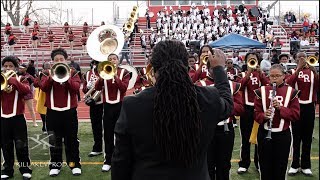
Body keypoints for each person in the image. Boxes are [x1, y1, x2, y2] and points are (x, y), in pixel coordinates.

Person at [111, 40, 233, 180]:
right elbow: (227, 104)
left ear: (153, 69)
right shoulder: (208, 98)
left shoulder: (132, 105)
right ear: (187, 67)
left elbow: (120, 161)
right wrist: (218, 69)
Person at [196, 59, 244, 180]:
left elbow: (240, 108)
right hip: (207, 130)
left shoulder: (233, 85)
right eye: (213, 68)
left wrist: (220, 107)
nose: (216, 71)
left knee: (224, 165)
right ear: (208, 69)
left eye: (219, 68)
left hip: (226, 130)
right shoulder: (199, 85)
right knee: (208, 165)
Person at [39, 48, 82, 176]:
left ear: (66, 60)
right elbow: (43, 87)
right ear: (52, 62)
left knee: (72, 140)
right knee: (54, 140)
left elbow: (75, 88)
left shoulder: (73, 72)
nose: (59, 61)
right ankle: (55, 165)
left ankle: (74, 164)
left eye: (61, 59)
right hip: (52, 112)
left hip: (69, 111)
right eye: (56, 60)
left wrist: (66, 77)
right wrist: (52, 77)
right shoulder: (46, 74)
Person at [254, 64, 300, 180]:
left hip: (282, 134)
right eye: (272, 76)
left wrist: (281, 108)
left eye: (277, 76)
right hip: (264, 133)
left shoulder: (291, 92)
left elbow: (296, 115)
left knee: (280, 167)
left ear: (284, 76)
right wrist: (264, 115)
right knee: (265, 167)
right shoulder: (261, 91)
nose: (274, 78)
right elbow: (255, 113)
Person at [94, 53, 131, 172]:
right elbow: (97, 87)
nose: (112, 61)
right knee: (108, 134)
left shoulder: (124, 72)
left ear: (118, 61)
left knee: (121, 133)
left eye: (114, 59)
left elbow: (123, 88)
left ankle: (122, 158)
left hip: (120, 105)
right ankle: (108, 160)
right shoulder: (103, 72)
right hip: (108, 106)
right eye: (110, 59)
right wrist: (101, 77)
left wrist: (115, 76)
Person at [286, 51, 319, 176]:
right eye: (299, 58)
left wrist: (314, 70)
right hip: (296, 107)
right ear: (295, 60)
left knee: (307, 137)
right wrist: (299, 68)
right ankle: (294, 164)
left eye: (304, 58)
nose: (302, 60)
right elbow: (287, 83)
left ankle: (306, 165)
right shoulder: (293, 72)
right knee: (296, 137)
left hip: (309, 107)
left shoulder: (313, 73)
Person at [1, 56, 33, 180]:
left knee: (21, 145)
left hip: (18, 118)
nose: (7, 68)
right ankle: (8, 170)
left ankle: (25, 168)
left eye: (10, 66)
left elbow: (26, 91)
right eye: (5, 66)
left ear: (15, 68)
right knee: (6, 145)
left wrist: (15, 81)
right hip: (3, 118)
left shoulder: (22, 78)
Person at [238, 52, 269, 174]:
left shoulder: (261, 74)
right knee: (245, 138)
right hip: (247, 109)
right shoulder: (242, 74)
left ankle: (258, 163)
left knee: (259, 138)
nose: (252, 61)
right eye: (250, 60)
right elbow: (239, 86)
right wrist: (249, 72)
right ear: (246, 62)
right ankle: (244, 163)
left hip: (258, 109)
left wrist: (260, 73)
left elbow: (268, 85)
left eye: (254, 59)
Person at [82, 60, 104, 157]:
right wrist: (87, 87)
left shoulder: (107, 70)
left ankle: (112, 148)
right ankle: (97, 147)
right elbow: (84, 89)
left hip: (107, 102)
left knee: (110, 127)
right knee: (96, 126)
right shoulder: (88, 73)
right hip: (94, 103)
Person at [33, 62, 51, 134]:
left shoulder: (53, 72)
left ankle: (49, 127)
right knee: (42, 111)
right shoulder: (40, 74)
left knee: (50, 112)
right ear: (43, 67)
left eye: (48, 65)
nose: (47, 67)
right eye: (46, 66)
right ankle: (44, 125)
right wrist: (41, 82)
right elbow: (35, 84)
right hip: (42, 95)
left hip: (50, 94)